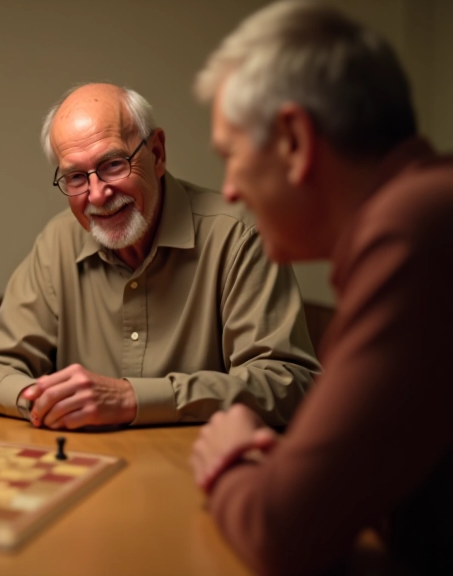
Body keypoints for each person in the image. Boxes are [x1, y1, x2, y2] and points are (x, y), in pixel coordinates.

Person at [189, 2, 453, 574]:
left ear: (293, 140)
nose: (229, 190)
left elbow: (284, 534)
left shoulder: (411, 230)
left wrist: (230, 463)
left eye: (230, 157)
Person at [0, 83, 320, 429]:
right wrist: (42, 400)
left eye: (113, 164)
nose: (97, 195)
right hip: (87, 472)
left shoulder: (239, 235)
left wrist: (133, 399)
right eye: (77, 177)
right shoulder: (57, 242)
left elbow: (289, 385)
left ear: (157, 153)